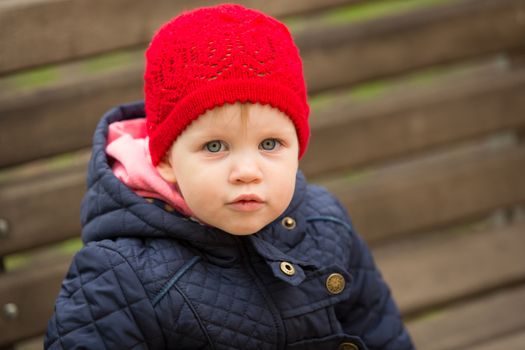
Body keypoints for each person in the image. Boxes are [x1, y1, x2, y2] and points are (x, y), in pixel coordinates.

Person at [45, 4, 413, 349]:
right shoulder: (119, 276)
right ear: (166, 159)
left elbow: (380, 330)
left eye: (270, 143)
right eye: (216, 147)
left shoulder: (324, 221)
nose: (247, 172)